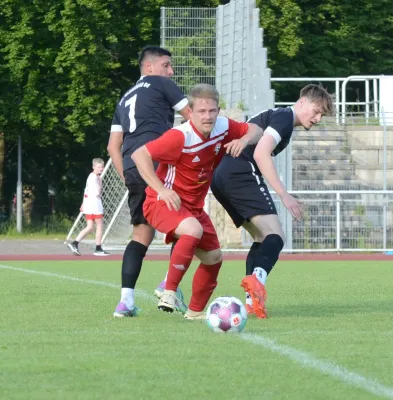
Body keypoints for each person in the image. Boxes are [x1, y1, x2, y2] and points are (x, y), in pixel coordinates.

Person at [131, 83, 264, 320]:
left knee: (214, 259)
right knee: (193, 229)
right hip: (162, 202)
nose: (208, 116)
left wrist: (243, 141)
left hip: (192, 207)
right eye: (202, 112)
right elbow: (139, 155)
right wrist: (161, 189)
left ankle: (194, 313)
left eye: (212, 111)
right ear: (190, 112)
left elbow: (256, 130)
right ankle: (168, 291)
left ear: (218, 110)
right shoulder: (180, 136)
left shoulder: (223, 127)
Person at [211, 84, 333, 319]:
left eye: (321, 116)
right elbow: (260, 153)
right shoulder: (285, 117)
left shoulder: (277, 115)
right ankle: (257, 282)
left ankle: (251, 302)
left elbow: (253, 136)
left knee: (261, 237)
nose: (317, 119)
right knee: (276, 236)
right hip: (240, 171)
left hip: (222, 177)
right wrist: (284, 195)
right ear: (303, 102)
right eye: (316, 111)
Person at [107, 45, 190, 318]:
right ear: (149, 67)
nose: (171, 70)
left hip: (133, 167)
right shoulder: (160, 83)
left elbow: (112, 147)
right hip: (157, 163)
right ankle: (169, 284)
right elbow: (193, 117)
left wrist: (129, 175)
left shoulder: (124, 98)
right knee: (189, 226)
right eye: (167, 65)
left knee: (141, 234)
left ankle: (125, 302)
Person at [67, 158, 110, 256]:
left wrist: (83, 203)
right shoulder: (94, 177)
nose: (101, 169)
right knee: (99, 225)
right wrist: (99, 188)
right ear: (93, 167)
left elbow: (86, 191)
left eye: (102, 167)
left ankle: (75, 243)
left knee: (90, 227)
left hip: (89, 204)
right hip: (94, 204)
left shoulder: (94, 177)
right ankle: (98, 248)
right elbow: (95, 192)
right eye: (99, 167)